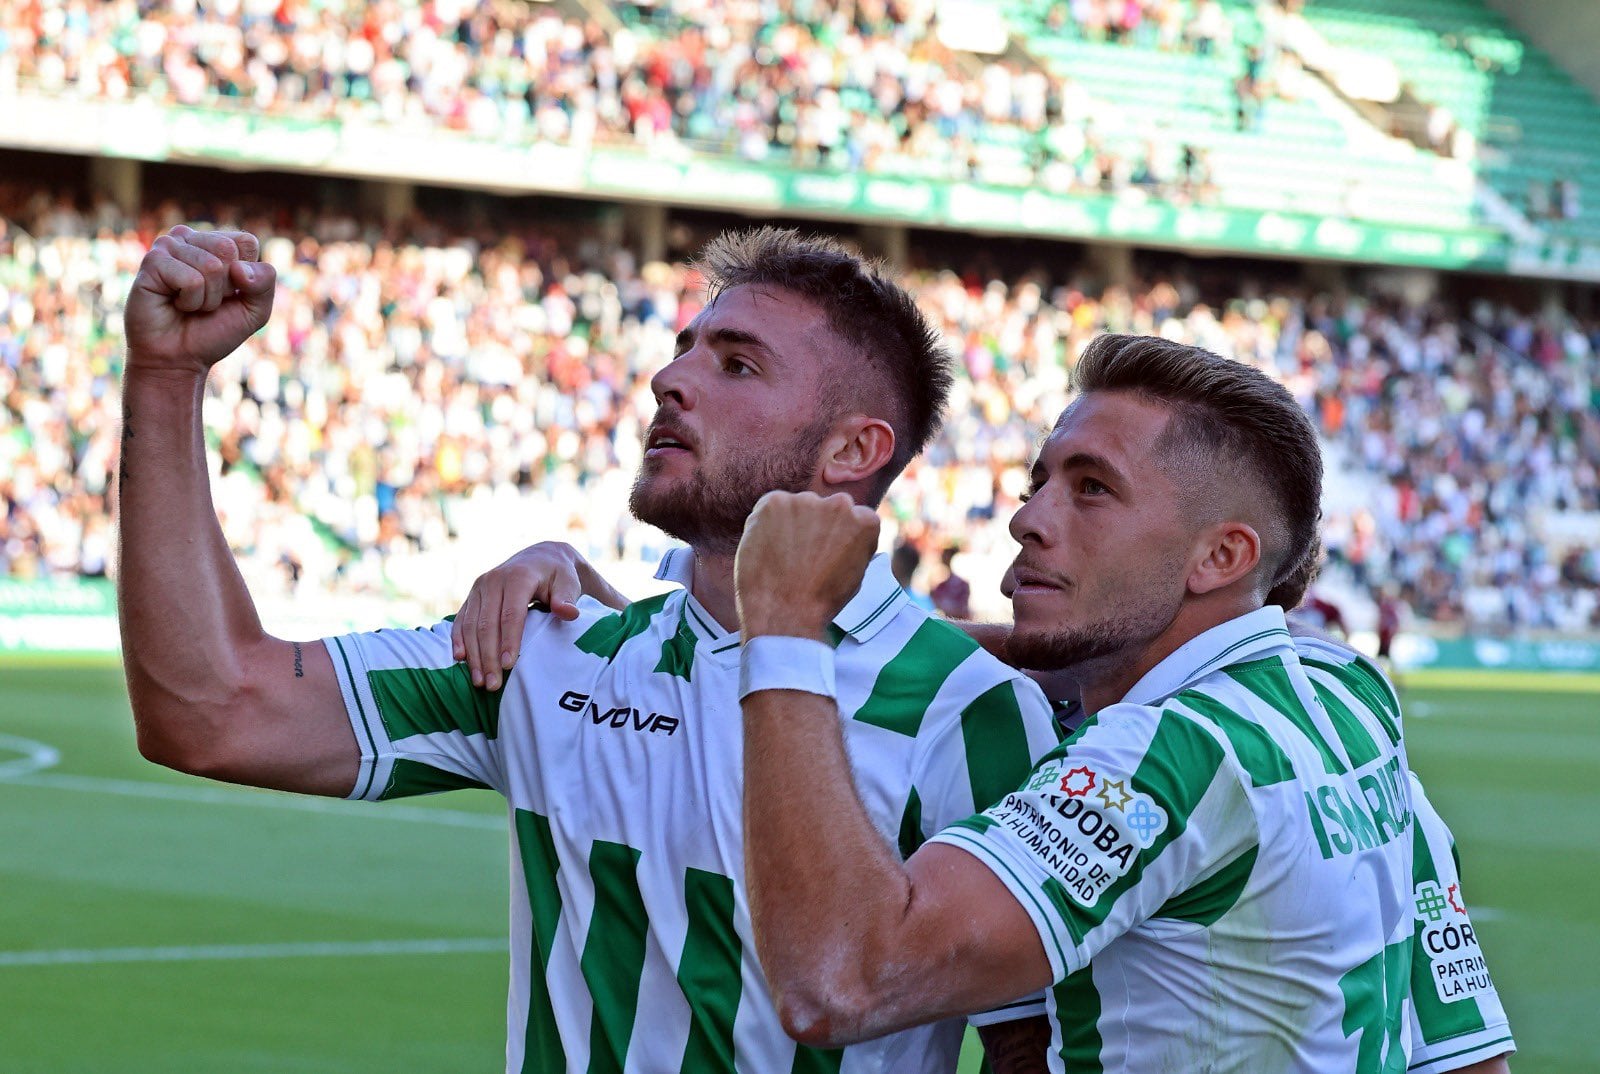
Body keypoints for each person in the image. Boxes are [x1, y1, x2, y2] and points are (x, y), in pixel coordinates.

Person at [115, 224, 1062, 1073]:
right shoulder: (551, 649)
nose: (669, 378)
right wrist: (166, 380)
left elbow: (1027, 1040)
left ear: (853, 452)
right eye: (685, 348)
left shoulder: (972, 711)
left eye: (737, 366)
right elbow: (211, 709)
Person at [461, 344, 1514, 1072]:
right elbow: (1469, 1050)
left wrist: (781, 626)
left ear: (1221, 556)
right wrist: (655, 633)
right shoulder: (1340, 700)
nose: (1025, 519)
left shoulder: (1168, 756)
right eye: (1040, 478)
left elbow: (840, 982)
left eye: (1090, 489)